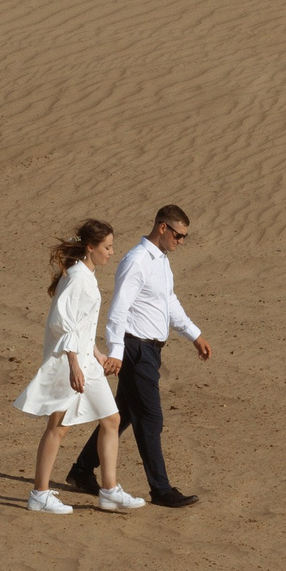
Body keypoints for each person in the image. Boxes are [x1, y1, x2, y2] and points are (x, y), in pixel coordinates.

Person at [67, 203, 210, 507]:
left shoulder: (161, 262)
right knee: (150, 418)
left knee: (125, 414)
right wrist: (116, 352)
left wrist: (194, 334)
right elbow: (118, 311)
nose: (181, 241)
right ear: (162, 227)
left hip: (151, 350)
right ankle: (160, 489)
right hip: (136, 348)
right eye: (178, 235)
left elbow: (169, 302)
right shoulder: (137, 260)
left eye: (184, 237)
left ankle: (81, 470)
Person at [13, 219, 144, 516]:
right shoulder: (76, 278)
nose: (111, 252)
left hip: (86, 362)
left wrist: (97, 354)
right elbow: (61, 323)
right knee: (58, 428)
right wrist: (74, 364)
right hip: (68, 363)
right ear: (90, 248)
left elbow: (82, 326)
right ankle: (39, 494)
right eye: (107, 247)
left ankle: (109, 491)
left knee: (111, 420)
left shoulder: (87, 276)